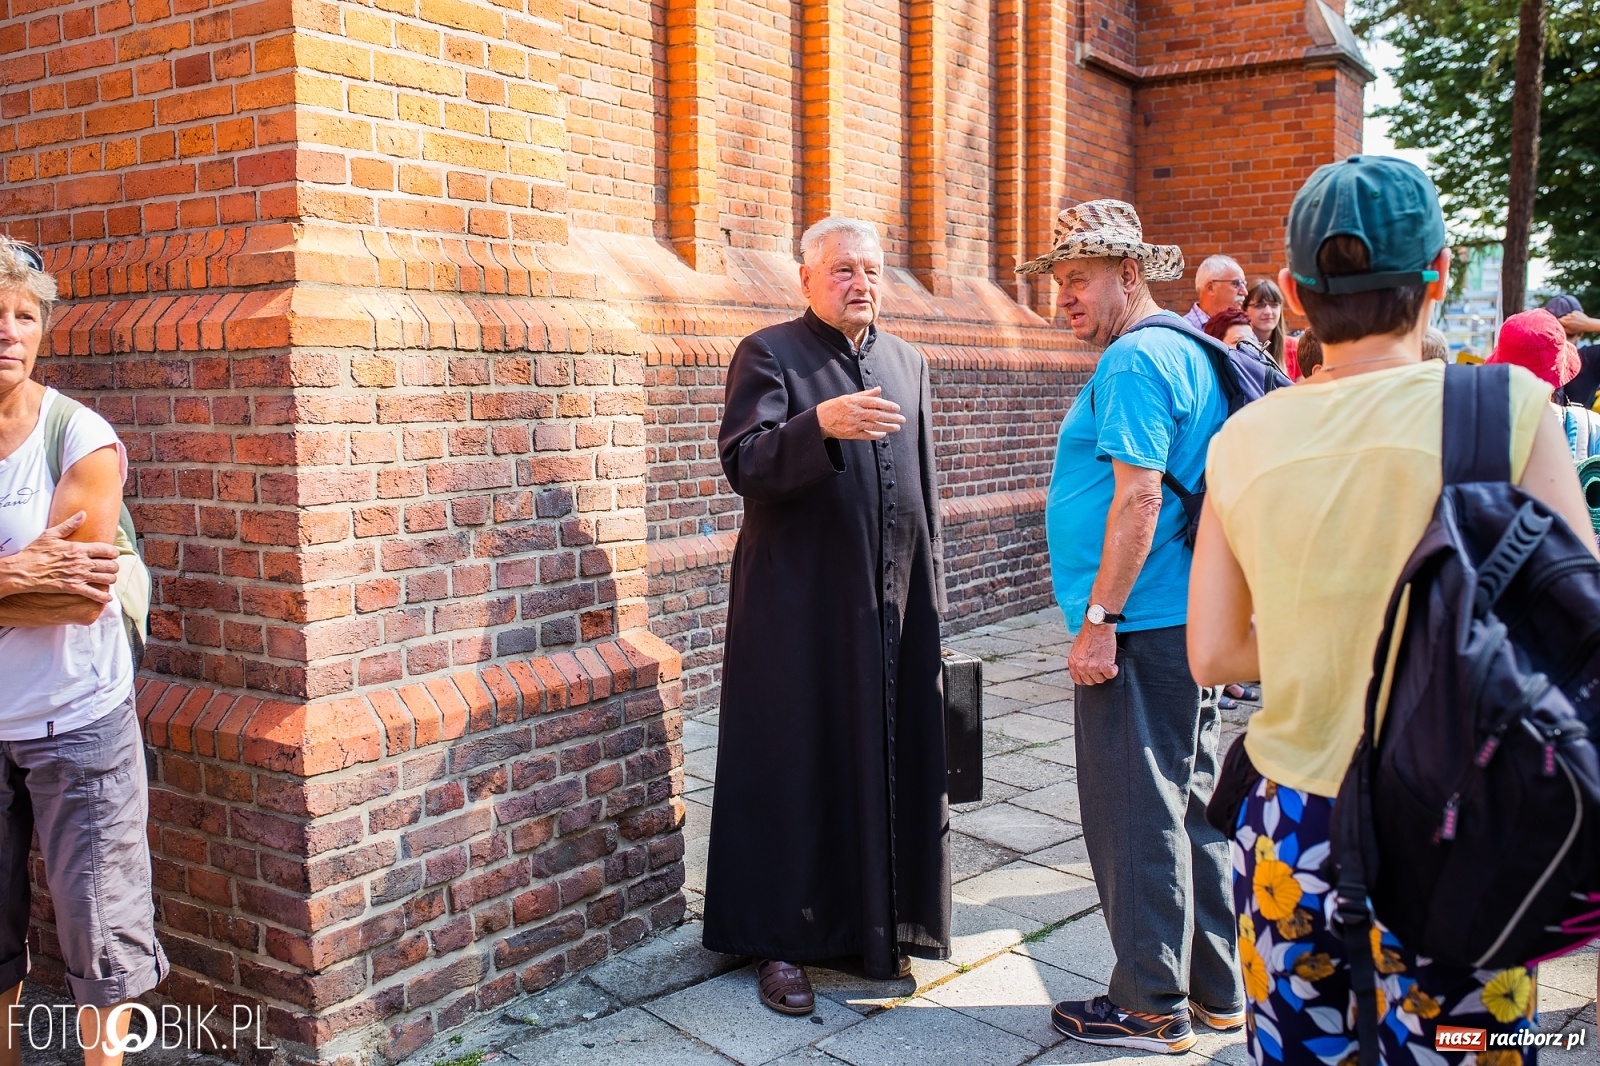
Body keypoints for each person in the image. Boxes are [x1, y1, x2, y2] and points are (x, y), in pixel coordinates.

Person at [1187, 155, 1592, 1066]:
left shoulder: (1244, 437)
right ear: (1440, 274)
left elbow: (1213, 654)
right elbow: (1577, 627)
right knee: (1463, 1043)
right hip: (1465, 822)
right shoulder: (1510, 408)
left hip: (1296, 828)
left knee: (1302, 1050)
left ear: (1291, 294)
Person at [703, 218, 950, 1014]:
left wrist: (929, 599)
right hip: (798, 609)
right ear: (805, 278)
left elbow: (925, 490)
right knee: (794, 763)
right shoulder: (770, 352)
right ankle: (781, 939)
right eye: (843, 269)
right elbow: (744, 461)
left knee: (882, 754)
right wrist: (820, 426)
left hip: (889, 604)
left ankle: (874, 926)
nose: (861, 283)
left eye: (872, 269)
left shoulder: (908, 362)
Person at [1016, 200, 1242, 1053]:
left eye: (1080, 278)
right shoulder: (1185, 349)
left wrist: (1099, 621)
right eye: (1060, 280)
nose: (1065, 296)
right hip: (1188, 615)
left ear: (1133, 274)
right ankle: (1217, 991)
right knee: (1192, 806)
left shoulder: (1137, 361)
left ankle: (1150, 1001)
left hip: (1143, 623)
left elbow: (1140, 494)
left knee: (1133, 810)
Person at [0, 237, 168, 1066]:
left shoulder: (80, 439)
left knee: (101, 949)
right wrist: (12, 573)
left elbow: (74, 596)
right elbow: (36, 587)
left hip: (77, 725)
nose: (7, 331)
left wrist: (31, 581)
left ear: (42, 331)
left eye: (24, 316)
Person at [1545, 294, 1600, 408]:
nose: (1561, 343)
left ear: (1581, 332)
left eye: (1567, 335)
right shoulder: (1530, 359)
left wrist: (1589, 323)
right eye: (1555, 334)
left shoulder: (1589, 359)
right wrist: (1589, 323)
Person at [1184, 255, 1247, 330]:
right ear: (1210, 288)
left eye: (1244, 284)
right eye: (1236, 284)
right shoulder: (1183, 332)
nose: (1245, 292)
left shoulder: (1243, 328)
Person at [1241, 280, 1292, 372]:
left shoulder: (1294, 348)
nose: (1268, 312)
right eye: (1259, 305)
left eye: (1274, 305)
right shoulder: (1238, 348)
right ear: (1245, 310)